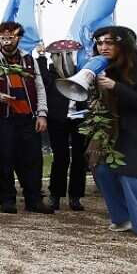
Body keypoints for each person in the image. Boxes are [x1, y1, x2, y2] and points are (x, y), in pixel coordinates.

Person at [0, 22, 54, 215]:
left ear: (19, 38)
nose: (7, 41)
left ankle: (34, 199)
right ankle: (7, 199)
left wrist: (42, 113)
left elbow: (40, 87)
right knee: (5, 158)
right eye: (3, 38)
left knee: (33, 158)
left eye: (11, 38)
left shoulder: (29, 60)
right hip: (4, 117)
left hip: (28, 116)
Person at [88, 26, 137, 239]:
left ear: (122, 44)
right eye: (100, 43)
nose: (103, 47)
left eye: (109, 43)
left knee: (133, 172)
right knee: (101, 169)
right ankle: (122, 218)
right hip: (114, 126)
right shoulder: (103, 64)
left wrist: (114, 86)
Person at [42, 40, 88, 211]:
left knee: (79, 158)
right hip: (58, 120)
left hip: (79, 118)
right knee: (60, 158)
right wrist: (40, 57)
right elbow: (41, 81)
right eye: (59, 55)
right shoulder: (50, 74)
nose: (64, 58)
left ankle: (75, 196)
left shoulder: (81, 72)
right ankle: (55, 195)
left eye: (68, 54)